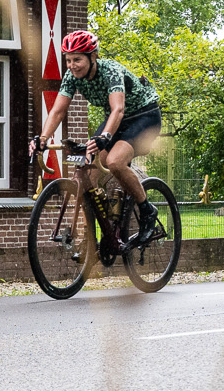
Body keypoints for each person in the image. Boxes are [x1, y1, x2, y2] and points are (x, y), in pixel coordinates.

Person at [30, 31, 162, 245]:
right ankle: (93, 239)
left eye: (78, 60)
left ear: (93, 57)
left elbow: (118, 109)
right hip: (115, 119)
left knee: (114, 162)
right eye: (69, 60)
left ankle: (148, 212)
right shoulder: (71, 76)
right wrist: (43, 138)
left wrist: (104, 137)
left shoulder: (111, 71)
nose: (72, 65)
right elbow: (57, 112)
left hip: (143, 116)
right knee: (90, 174)